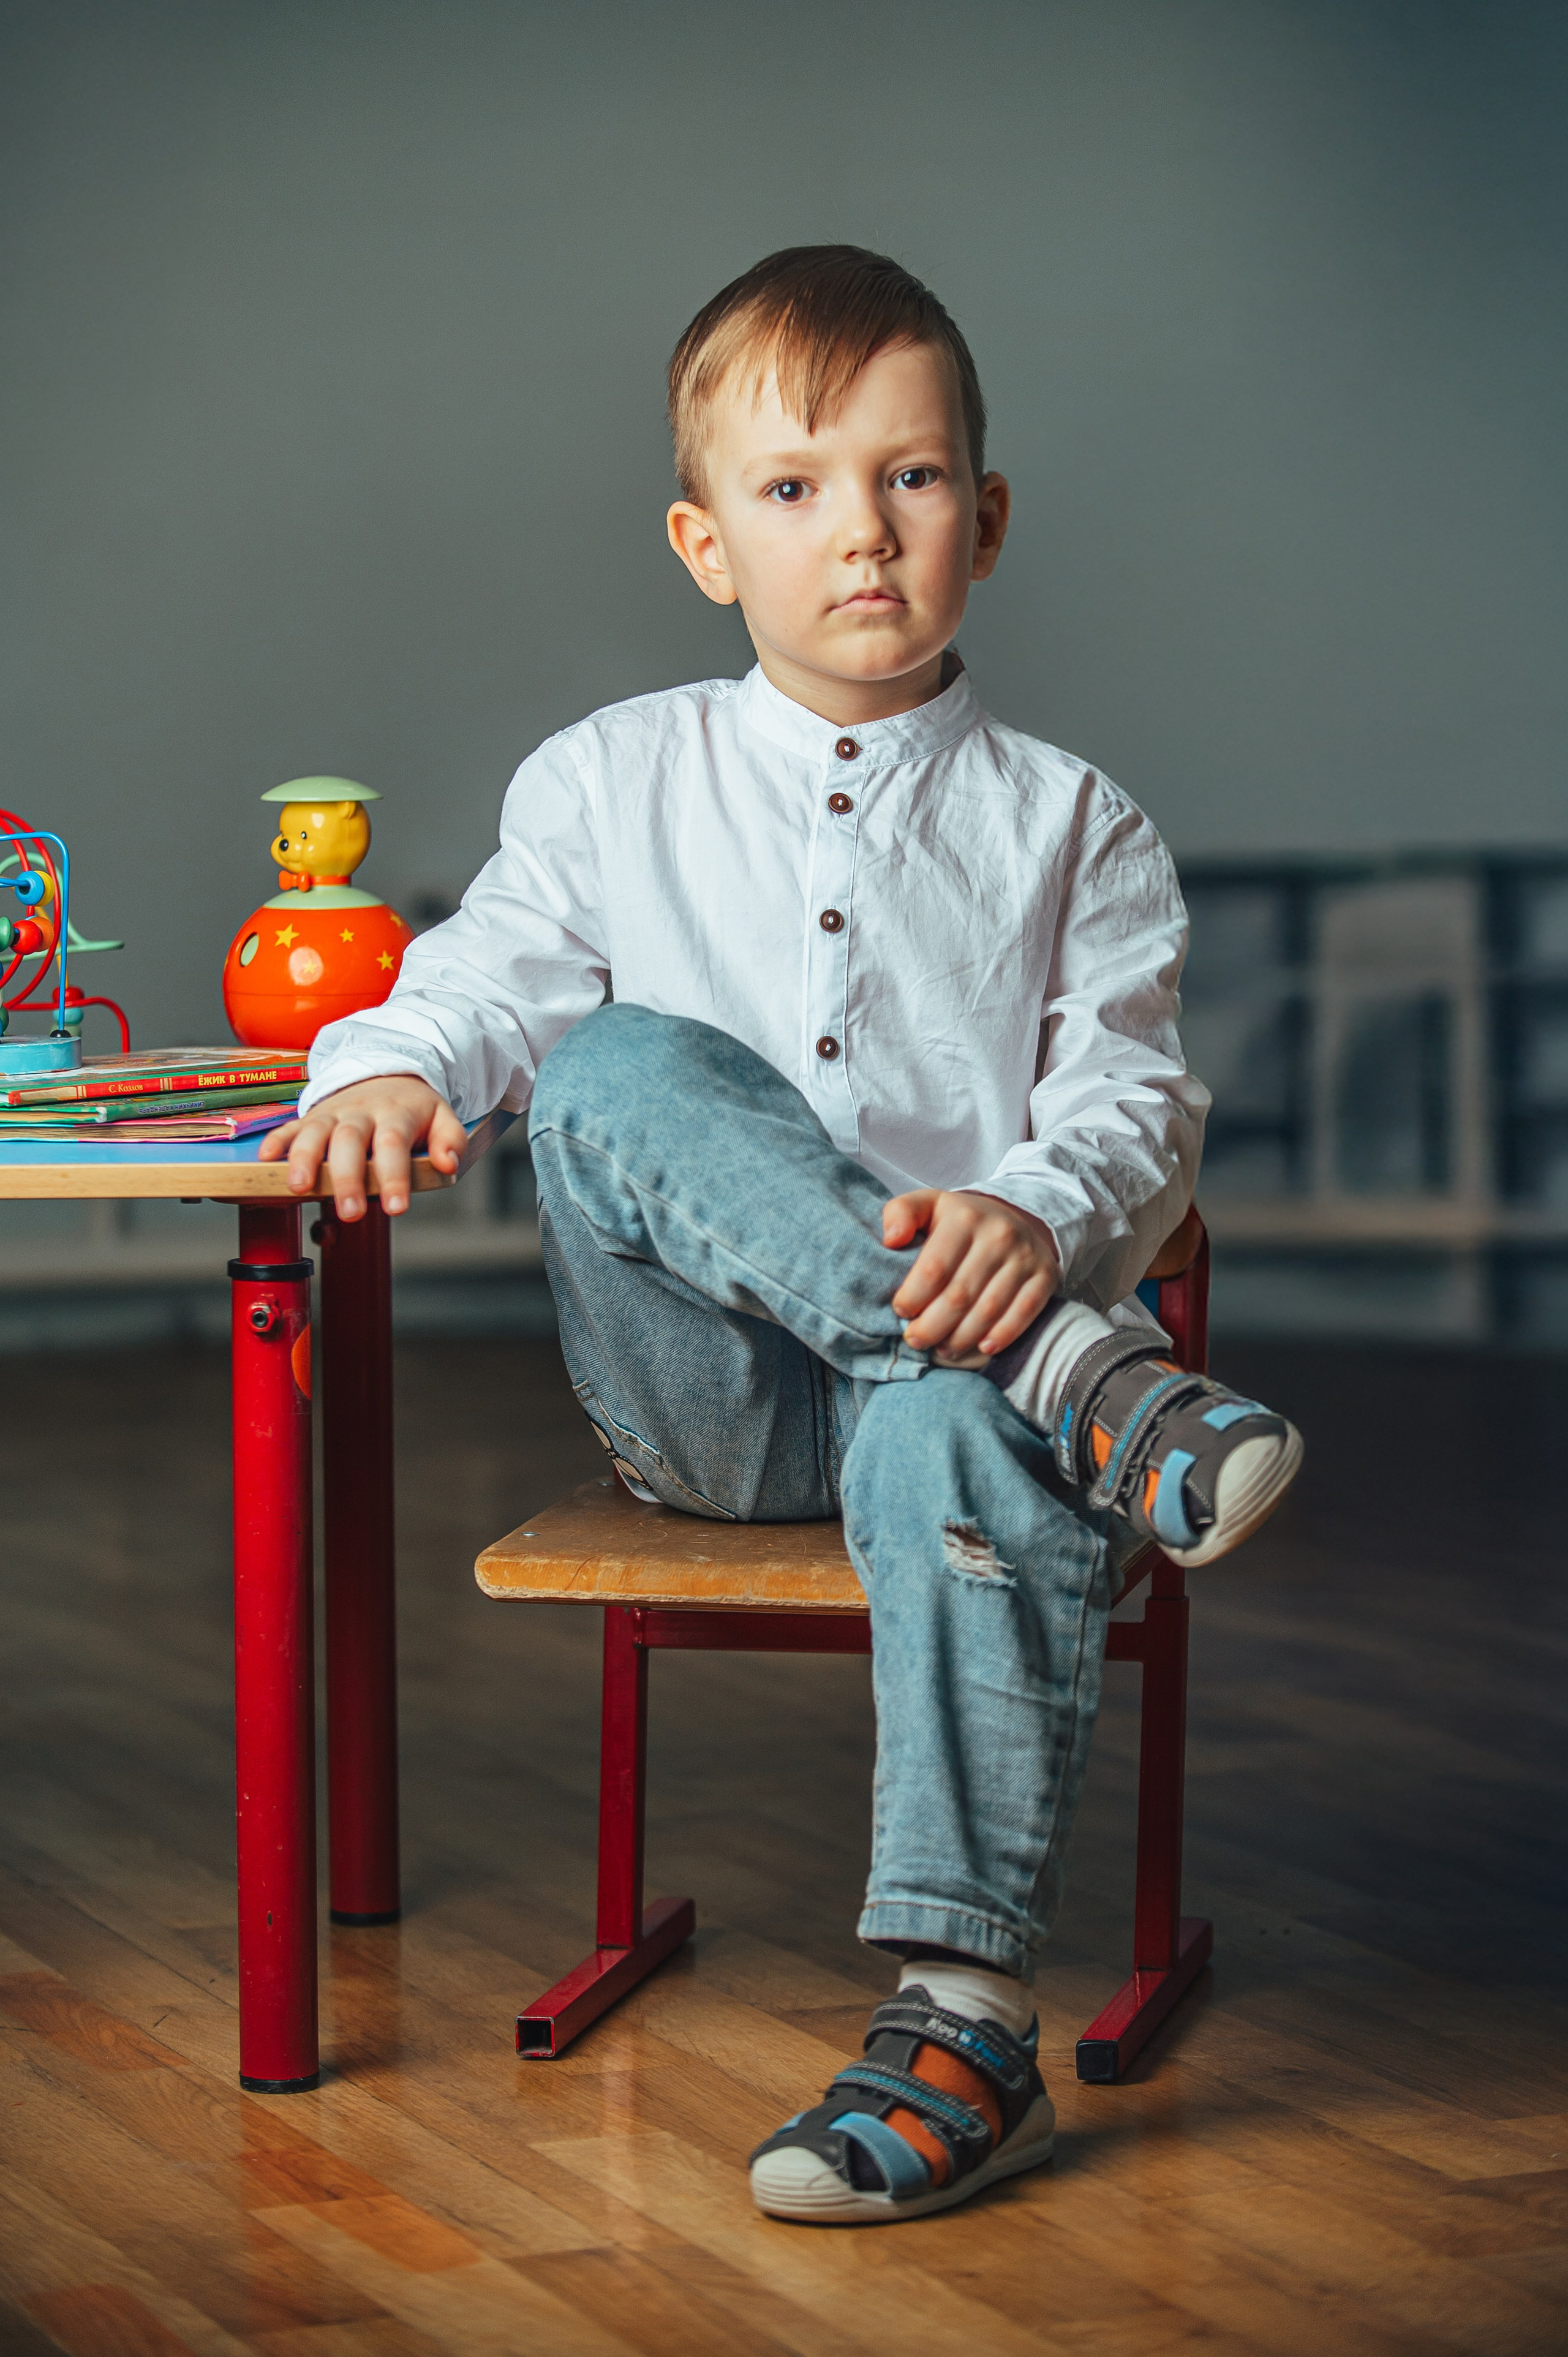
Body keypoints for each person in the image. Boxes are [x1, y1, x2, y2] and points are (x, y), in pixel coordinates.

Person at [267, 246, 1302, 2225]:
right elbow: (477, 981)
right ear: (706, 542)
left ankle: (966, 2024)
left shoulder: (1074, 824)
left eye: (913, 483)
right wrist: (387, 1069)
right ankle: (1087, 1379)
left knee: (940, 1415)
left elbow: (1138, 1105)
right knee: (615, 1062)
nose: (865, 536)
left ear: (983, 523)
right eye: (797, 488)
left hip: (952, 1429)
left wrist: (1033, 1206)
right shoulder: (610, 779)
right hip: (718, 1415)